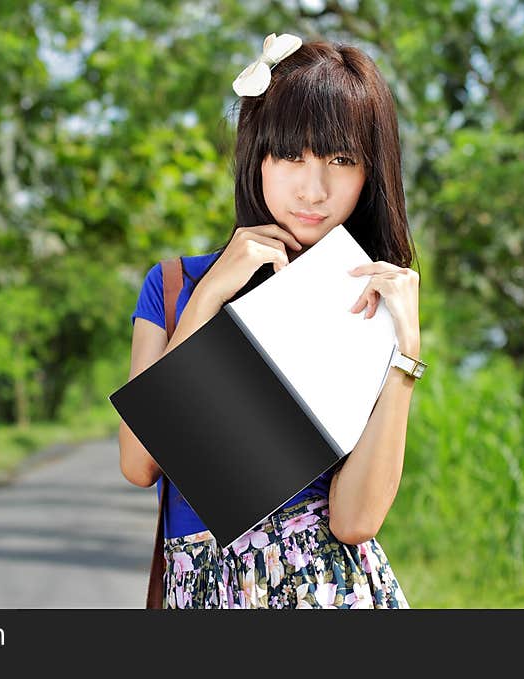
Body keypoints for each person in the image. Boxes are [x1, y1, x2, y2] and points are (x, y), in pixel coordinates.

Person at [118, 33, 423, 609]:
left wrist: (405, 353)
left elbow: (356, 520)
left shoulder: (371, 298)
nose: (314, 189)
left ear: (370, 171)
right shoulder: (176, 285)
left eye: (341, 159)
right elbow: (139, 463)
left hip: (331, 590)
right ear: (256, 154)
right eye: (290, 156)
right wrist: (209, 298)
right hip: (204, 586)